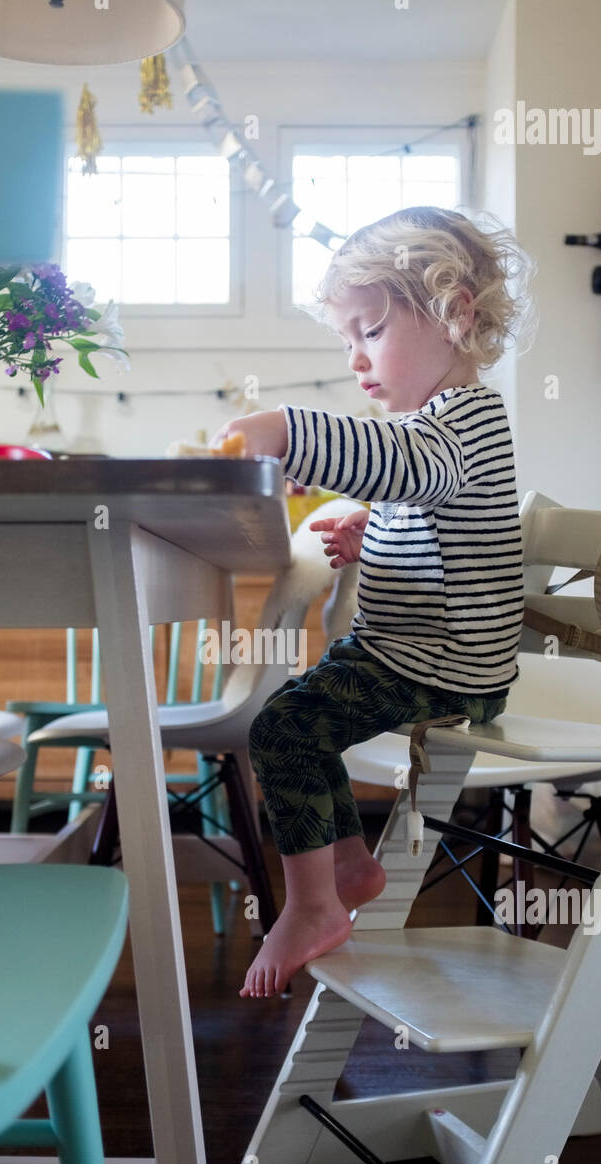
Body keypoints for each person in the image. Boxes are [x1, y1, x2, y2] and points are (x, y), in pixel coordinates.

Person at [209, 206, 534, 998]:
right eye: (347, 340)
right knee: (297, 715)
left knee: (282, 727)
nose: (356, 359)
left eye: (372, 330)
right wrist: (376, 527)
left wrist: (287, 428)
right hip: (420, 649)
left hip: (446, 661)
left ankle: (312, 904)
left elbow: (409, 467)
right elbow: (422, 496)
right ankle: (348, 862)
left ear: (454, 313)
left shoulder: (463, 420)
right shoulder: (436, 427)